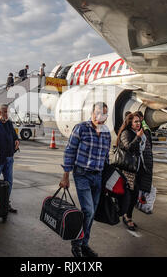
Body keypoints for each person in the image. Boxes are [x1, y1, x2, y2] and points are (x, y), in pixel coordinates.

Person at [60, 102, 111, 257]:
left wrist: (107, 179)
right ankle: (76, 245)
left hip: (98, 176)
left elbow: (106, 156)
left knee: (92, 212)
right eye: (97, 113)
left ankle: (84, 244)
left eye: (103, 114)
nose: (100, 117)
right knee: (88, 210)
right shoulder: (81, 128)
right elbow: (70, 151)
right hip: (82, 174)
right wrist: (66, 176)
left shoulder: (107, 132)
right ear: (92, 112)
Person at [116, 112, 153, 231]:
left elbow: (144, 149)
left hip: (138, 169)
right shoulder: (126, 133)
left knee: (135, 194)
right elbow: (129, 148)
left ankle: (127, 215)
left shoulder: (140, 134)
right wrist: (137, 137)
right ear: (130, 123)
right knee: (129, 196)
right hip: (128, 170)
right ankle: (127, 217)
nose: (138, 123)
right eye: (135, 121)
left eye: (139, 121)